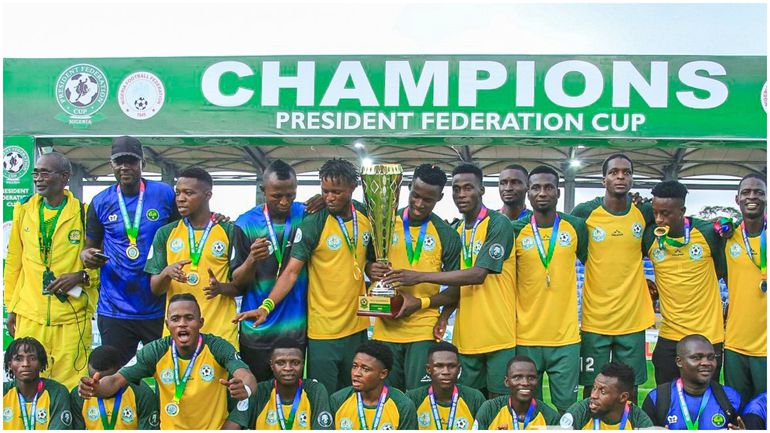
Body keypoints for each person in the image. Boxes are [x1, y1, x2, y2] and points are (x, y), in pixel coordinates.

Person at [234, 158, 371, 393]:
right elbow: (290, 272)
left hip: (348, 326)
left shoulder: (361, 217)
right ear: (264, 190)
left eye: (336, 192)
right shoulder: (310, 221)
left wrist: (371, 269)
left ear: (352, 188)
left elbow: (368, 259)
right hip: (306, 330)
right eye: (325, 192)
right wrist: (266, 306)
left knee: (352, 395)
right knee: (273, 394)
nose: (329, 197)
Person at [384, 163, 517, 397]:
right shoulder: (454, 231)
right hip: (464, 339)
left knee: (498, 407)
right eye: (457, 189)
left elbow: (478, 274)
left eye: (468, 188)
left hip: (498, 336)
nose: (462, 194)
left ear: (482, 190)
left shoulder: (498, 223)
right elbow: (456, 288)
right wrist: (444, 316)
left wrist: (419, 277)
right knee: (468, 406)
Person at [78, 293, 257, 430]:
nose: (182, 324)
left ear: (200, 322)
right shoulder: (156, 351)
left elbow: (246, 376)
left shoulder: (217, 347)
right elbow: (116, 380)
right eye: (175, 319)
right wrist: (97, 388)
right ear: (167, 324)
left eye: (189, 318)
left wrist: (245, 388)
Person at [81, 136, 178, 366]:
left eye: (131, 161)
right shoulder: (100, 201)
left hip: (158, 306)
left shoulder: (164, 194)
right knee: (115, 376)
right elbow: (89, 247)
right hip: (115, 309)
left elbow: (186, 228)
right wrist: (87, 256)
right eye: (119, 161)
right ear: (111, 164)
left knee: (166, 374)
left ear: (142, 162)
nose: (125, 167)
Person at [4, 151, 97, 389]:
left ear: (65, 177)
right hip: (30, 315)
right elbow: (14, 262)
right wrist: (11, 308)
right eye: (36, 173)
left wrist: (81, 276)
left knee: (71, 385)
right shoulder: (23, 210)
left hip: (71, 318)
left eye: (45, 173)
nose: (38, 178)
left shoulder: (83, 214)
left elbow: (97, 263)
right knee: (28, 383)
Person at [366, 164, 462, 391]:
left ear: (439, 197)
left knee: (419, 397)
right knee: (387, 398)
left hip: (422, 329)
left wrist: (423, 303)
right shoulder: (383, 224)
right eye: (415, 195)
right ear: (408, 188)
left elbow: (457, 288)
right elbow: (364, 262)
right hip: (385, 327)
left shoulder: (446, 234)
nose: (419, 204)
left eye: (427, 199)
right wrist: (369, 267)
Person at [570, 154, 655, 403]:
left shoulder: (644, 212)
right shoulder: (585, 212)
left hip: (632, 318)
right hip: (595, 318)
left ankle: (628, 426)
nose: (621, 176)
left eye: (626, 172)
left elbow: (671, 214)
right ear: (603, 178)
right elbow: (572, 243)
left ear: (632, 178)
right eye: (614, 172)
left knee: (630, 386)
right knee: (591, 386)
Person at [510, 165, 588, 413]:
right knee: (525, 407)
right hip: (525, 336)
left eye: (548, 187)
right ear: (528, 193)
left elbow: (594, 264)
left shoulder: (576, 227)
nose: (542, 193)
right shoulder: (514, 230)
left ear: (558, 192)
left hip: (565, 338)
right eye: (536, 188)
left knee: (567, 409)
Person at [145, 166, 249, 348]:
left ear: (207, 195)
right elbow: (155, 288)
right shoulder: (165, 233)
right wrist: (167, 273)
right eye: (178, 193)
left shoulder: (229, 231)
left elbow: (241, 286)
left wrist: (221, 288)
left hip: (221, 331)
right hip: (180, 333)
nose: (180, 198)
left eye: (188, 193)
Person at [230, 160, 314, 381]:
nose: (285, 201)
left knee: (288, 398)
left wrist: (323, 199)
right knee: (255, 396)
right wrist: (251, 260)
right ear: (263, 190)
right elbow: (237, 282)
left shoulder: (306, 215)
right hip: (256, 330)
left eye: (291, 195)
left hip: (294, 328)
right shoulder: (245, 223)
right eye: (277, 196)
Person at [642, 180, 726, 384]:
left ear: (682, 211)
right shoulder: (650, 237)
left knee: (706, 400)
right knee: (665, 398)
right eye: (655, 213)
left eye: (666, 213)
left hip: (707, 336)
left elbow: (724, 272)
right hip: (670, 335)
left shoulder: (708, 233)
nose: (659, 219)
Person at [223, 337, 333, 430]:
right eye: (280, 363)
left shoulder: (315, 391)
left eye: (295, 362)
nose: (288, 368)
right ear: (271, 365)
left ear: (303, 364)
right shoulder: (260, 391)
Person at [723, 173, 767, 401]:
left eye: (759, 192)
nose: (753, 197)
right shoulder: (725, 236)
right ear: (737, 198)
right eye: (747, 192)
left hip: (766, 347)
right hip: (735, 345)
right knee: (736, 412)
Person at [642, 334, 744, 430]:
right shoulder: (657, 399)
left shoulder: (731, 398)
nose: (706, 363)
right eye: (697, 357)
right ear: (679, 361)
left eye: (711, 357)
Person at [330, 341, 418, 430]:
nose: (356, 373)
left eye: (365, 369)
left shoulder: (402, 405)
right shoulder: (338, 400)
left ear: (383, 374)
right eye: (354, 366)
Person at [69, 345, 160, 430]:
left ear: (121, 371)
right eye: (93, 379)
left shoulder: (141, 393)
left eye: (105, 381)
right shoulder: (80, 394)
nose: (98, 386)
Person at [406, 341, 486, 430]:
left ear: (459, 369)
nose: (446, 372)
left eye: (451, 366)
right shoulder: (412, 399)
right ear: (428, 369)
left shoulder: (475, 398)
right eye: (439, 366)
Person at [472, 355, 560, 430]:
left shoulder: (550, 417)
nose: (525, 383)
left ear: (537, 381)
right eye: (517, 377)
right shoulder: (490, 409)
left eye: (531, 378)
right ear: (507, 382)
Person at [3, 337, 74, 430]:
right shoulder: (4, 391)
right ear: (10, 365)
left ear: (41, 363)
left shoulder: (57, 392)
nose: (25, 364)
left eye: (32, 358)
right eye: (19, 359)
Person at [560, 362, 653, 430]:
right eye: (594, 388)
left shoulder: (638, 420)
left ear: (623, 397)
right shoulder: (580, 412)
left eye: (603, 392)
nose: (593, 395)